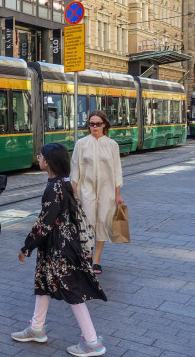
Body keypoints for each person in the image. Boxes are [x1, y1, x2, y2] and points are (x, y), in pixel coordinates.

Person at [11, 143, 107, 357]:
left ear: (49, 162)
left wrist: (26, 247)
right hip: (58, 244)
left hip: (59, 247)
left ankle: (92, 341)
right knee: (44, 283)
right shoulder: (62, 183)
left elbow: (45, 223)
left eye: (41, 156)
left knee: (72, 290)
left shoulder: (53, 188)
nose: (39, 158)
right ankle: (37, 327)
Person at [71, 110, 124, 275]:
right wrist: (73, 192)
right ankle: (87, 255)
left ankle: (96, 260)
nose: (94, 126)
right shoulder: (81, 143)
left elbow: (117, 170)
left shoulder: (112, 144)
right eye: (91, 123)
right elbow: (75, 168)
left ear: (104, 125)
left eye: (98, 124)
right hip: (85, 189)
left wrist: (118, 194)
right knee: (87, 223)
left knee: (102, 222)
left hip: (106, 190)